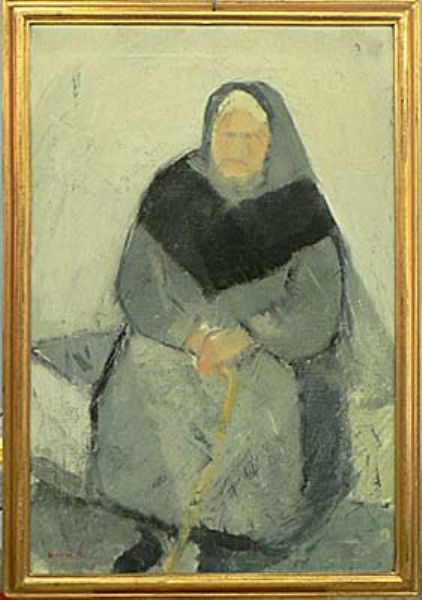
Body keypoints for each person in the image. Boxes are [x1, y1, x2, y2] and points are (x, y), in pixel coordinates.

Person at [91, 80, 356, 573]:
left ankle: (221, 542)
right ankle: (156, 528)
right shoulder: (176, 188)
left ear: (272, 140)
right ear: (209, 134)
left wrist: (248, 336)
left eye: (251, 136)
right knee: (141, 370)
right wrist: (188, 335)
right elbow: (137, 283)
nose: (237, 147)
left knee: (262, 402)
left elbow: (318, 307)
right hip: (181, 342)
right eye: (227, 134)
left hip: (263, 350)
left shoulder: (300, 204)